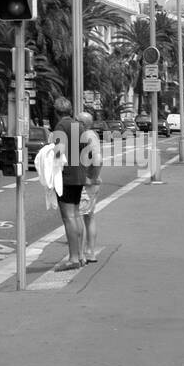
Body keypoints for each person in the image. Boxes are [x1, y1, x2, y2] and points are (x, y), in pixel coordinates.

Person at [50, 96, 85, 270]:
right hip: (79, 174)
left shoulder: (60, 127)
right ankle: (81, 255)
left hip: (66, 176)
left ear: (56, 112)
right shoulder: (80, 125)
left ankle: (73, 258)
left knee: (68, 217)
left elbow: (58, 153)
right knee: (76, 214)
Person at [79, 110, 102, 262]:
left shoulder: (87, 136)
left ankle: (81, 254)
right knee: (89, 217)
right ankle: (90, 252)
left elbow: (98, 159)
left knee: (79, 216)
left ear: (82, 124)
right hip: (91, 182)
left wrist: (90, 177)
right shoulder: (90, 135)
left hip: (87, 184)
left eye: (77, 120)